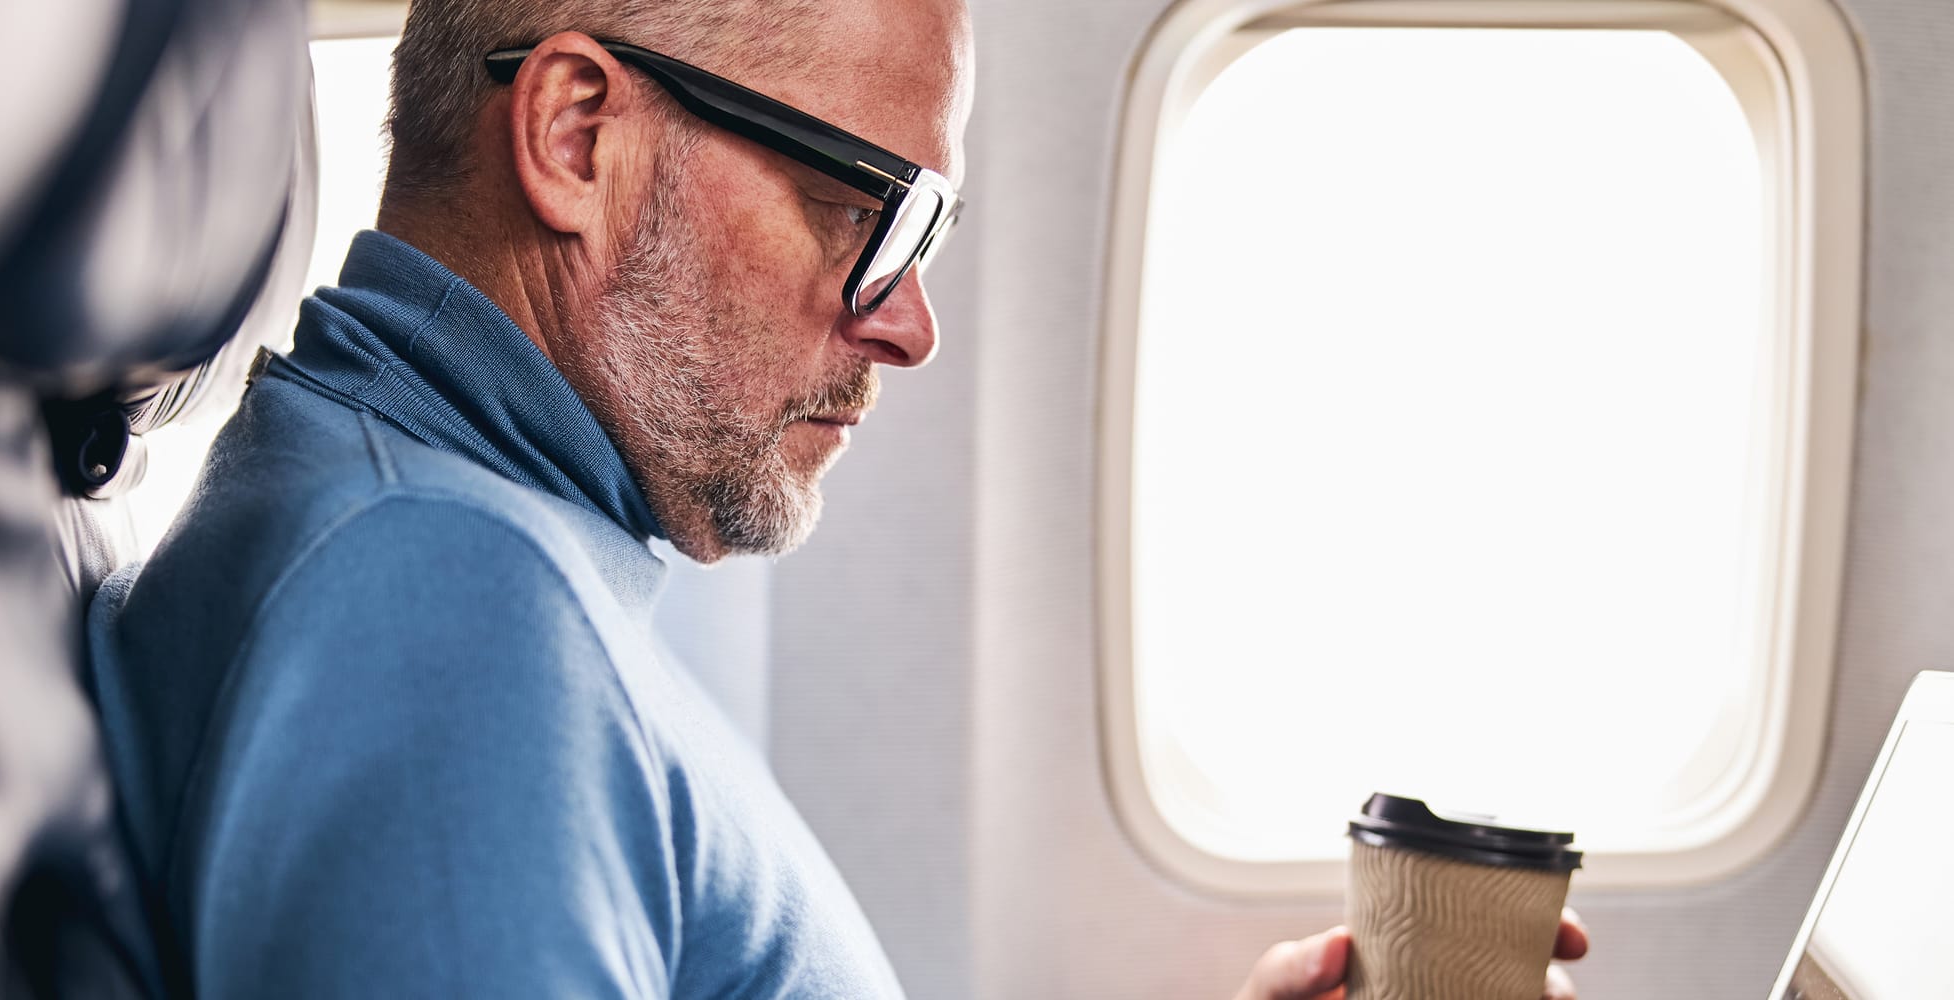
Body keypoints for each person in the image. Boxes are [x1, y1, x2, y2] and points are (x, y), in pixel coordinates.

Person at [85, 0, 1588, 996]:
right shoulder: (431, 618)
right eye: (866, 208)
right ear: (577, 138)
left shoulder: (487, 548)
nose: (908, 321)